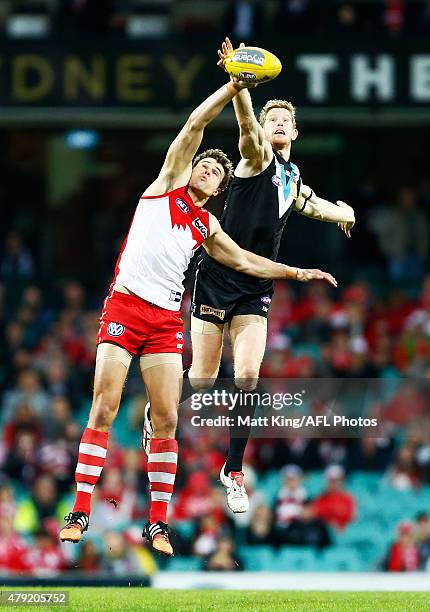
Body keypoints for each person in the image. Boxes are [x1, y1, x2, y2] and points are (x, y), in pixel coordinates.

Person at [59, 73, 337, 557]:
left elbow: (248, 262)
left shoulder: (208, 223)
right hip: (124, 306)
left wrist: (297, 271)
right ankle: (80, 509)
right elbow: (195, 125)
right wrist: (233, 87)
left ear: (223, 186)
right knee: (104, 405)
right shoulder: (165, 186)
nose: (208, 169)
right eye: (203, 165)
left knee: (168, 418)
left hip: (165, 319)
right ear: (189, 169)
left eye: (216, 171)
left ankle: (157, 524)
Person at [145, 37, 355, 514]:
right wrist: (240, 85)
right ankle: (156, 406)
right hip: (217, 276)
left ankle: (233, 470)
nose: (278, 124)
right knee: (199, 380)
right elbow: (243, 125)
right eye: (272, 119)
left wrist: (345, 213)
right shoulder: (255, 156)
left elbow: (311, 205)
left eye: (286, 121)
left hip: (257, 285)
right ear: (264, 127)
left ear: (295, 134)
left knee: (248, 377)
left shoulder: (292, 176)